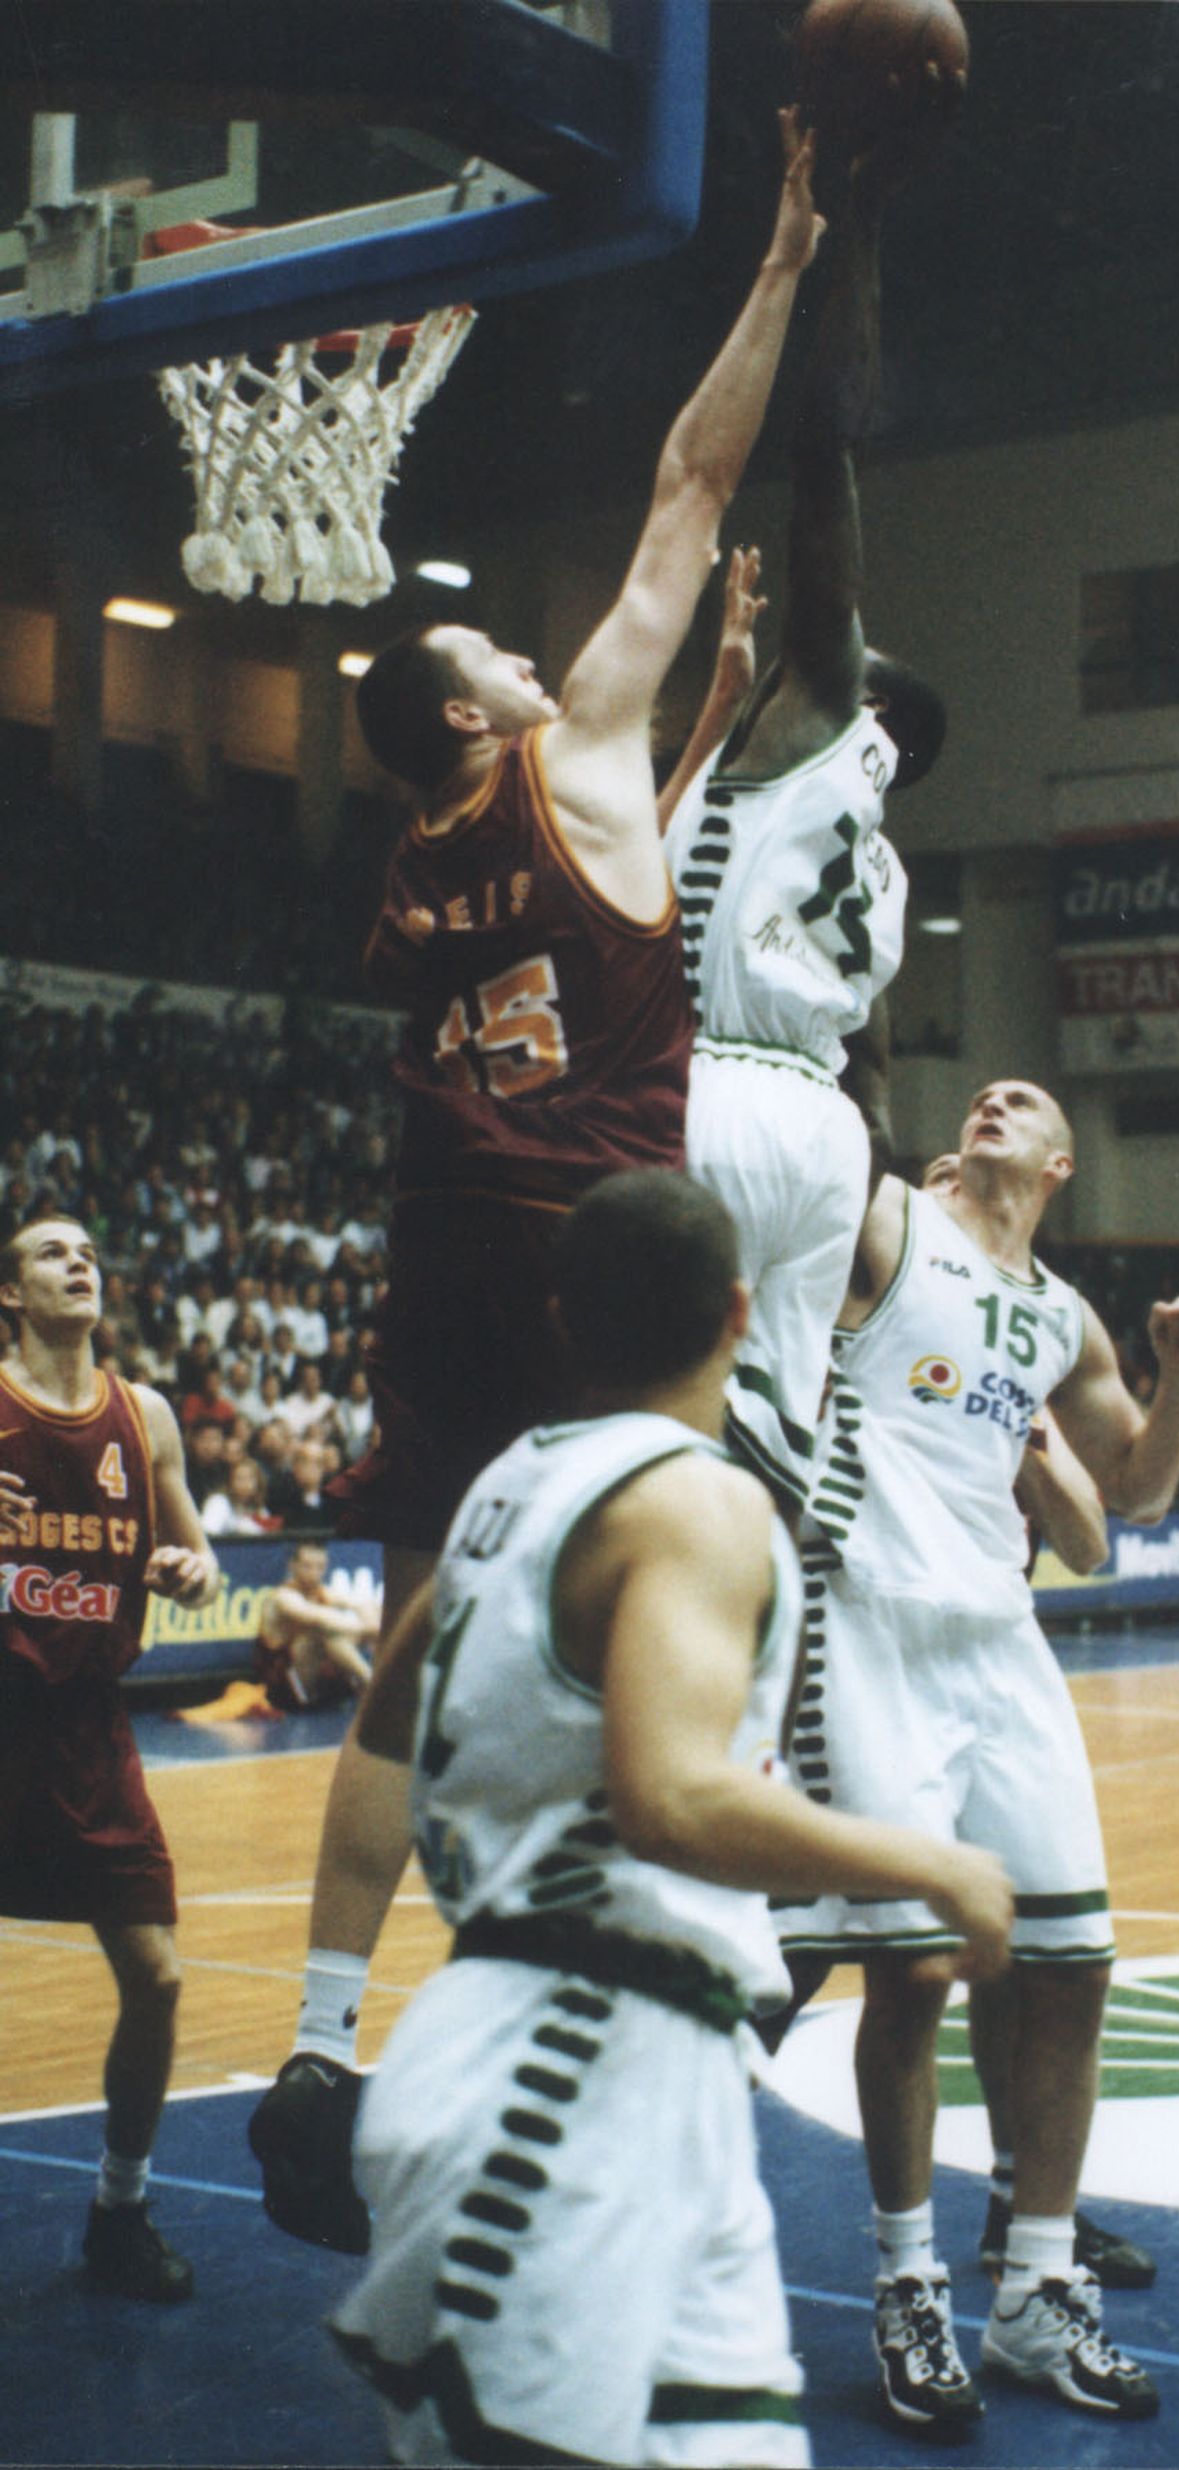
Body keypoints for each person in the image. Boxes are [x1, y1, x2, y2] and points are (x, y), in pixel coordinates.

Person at [252, 117, 827, 2246]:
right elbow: (687, 485)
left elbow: (591, 890)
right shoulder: (572, 742)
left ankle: (321, 2031)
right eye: (497, 654)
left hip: (442, 1242)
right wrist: (772, 265)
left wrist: (701, 740)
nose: (530, 651)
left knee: (420, 1627)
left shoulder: (413, 869)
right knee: (712, 1561)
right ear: (477, 702)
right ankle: (702, 1944)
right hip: (601, 1245)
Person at [325, 1171, 1013, 2469]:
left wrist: (327, 2007)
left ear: (563, 1319)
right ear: (743, 1313)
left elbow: (382, 1725)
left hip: (617, 2057)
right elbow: (670, 1797)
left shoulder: (503, 1488)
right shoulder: (697, 1498)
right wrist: (930, 1861)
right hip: (569, 2059)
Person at [778, 1082, 1179, 2432]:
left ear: (1062, 1161)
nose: (996, 1097)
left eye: (1023, 1098)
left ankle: (1036, 2284)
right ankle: (907, 2280)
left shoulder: (1056, 1315)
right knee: (908, 1968)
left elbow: (1128, 1502)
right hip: (865, 1624)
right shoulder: (890, 1222)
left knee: (1073, 1961)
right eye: (983, 1091)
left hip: (996, 1637)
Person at [659, 144, 945, 1517]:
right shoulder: (878, 867)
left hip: (710, 1096)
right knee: (775, 1460)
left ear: (863, 696)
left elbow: (824, 435)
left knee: (642, 1429)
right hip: (826, 1137)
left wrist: (854, 231)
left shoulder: (822, 717)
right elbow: (875, 1065)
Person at [0, 1214, 219, 2301]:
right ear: (11, 1293)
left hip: (88, 1724)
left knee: (160, 1975)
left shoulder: (148, 1415)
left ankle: (119, 2209)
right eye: (49, 1251)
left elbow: (204, 1565)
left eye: (89, 1249)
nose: (78, 1260)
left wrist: (184, 1569)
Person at [255, 1542, 379, 1713]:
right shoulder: (283, 1597)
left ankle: (370, 1682)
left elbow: (362, 1604)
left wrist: (370, 1625)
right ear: (293, 1566)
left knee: (353, 1629)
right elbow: (318, 1617)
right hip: (282, 1688)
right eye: (307, 1566)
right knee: (327, 1631)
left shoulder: (322, 1592)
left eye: (320, 1567)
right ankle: (373, 1683)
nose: (314, 1573)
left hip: (315, 1680)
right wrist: (370, 1629)